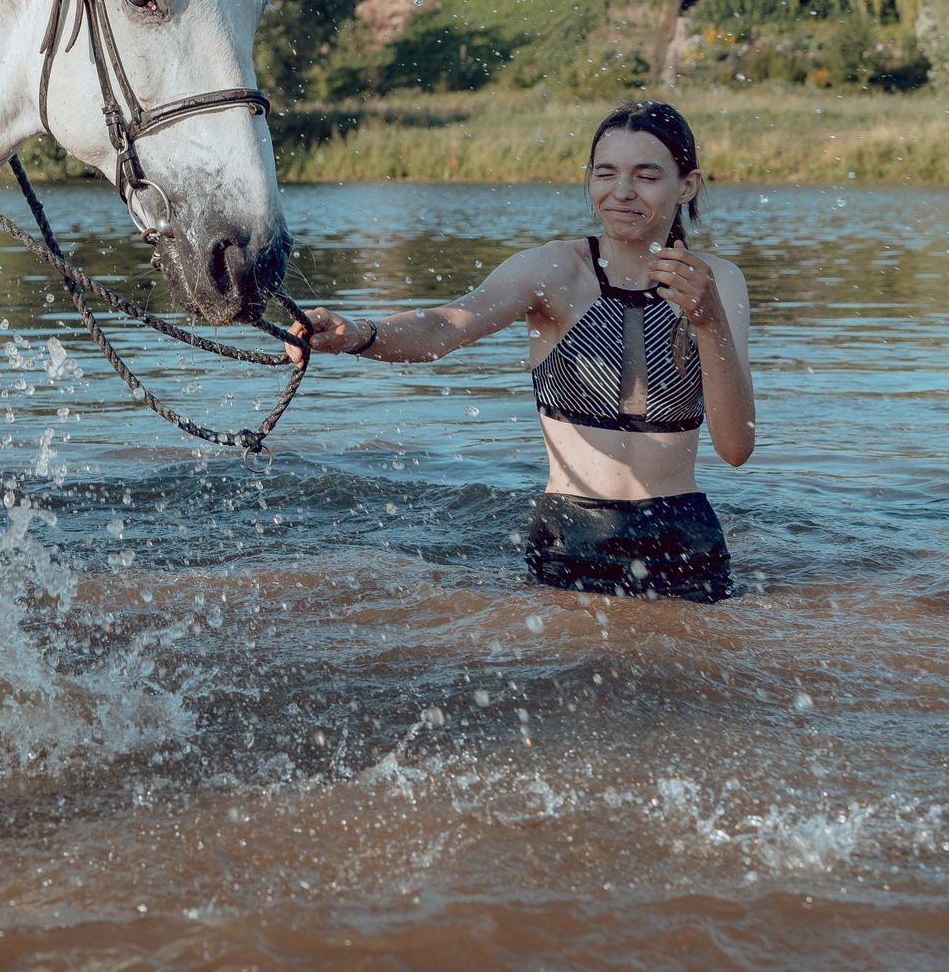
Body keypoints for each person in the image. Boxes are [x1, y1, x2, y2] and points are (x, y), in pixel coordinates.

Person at [293, 102, 756, 601]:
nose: (621, 192)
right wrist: (359, 333)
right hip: (572, 535)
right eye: (606, 173)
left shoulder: (719, 284)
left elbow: (735, 449)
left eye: (646, 176)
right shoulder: (553, 271)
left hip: (685, 537)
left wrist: (709, 323)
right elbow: (444, 327)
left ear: (686, 185)